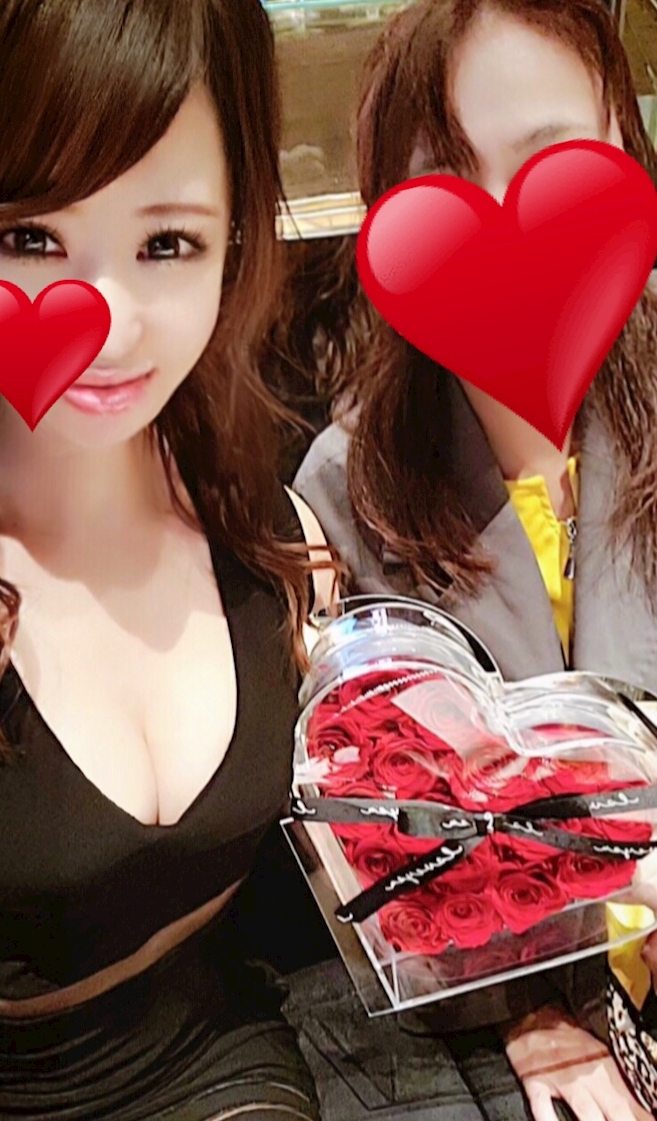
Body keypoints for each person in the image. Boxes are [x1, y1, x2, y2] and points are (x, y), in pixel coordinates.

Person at [0, 0, 339, 1118]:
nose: (105, 321)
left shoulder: (272, 529)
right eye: (30, 237)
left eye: (167, 243)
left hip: (233, 1057)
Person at [292, 1, 657, 1120]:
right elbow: (389, 861)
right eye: (448, 193)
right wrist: (529, 1005)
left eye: (553, 164)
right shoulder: (346, 495)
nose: (509, 237)